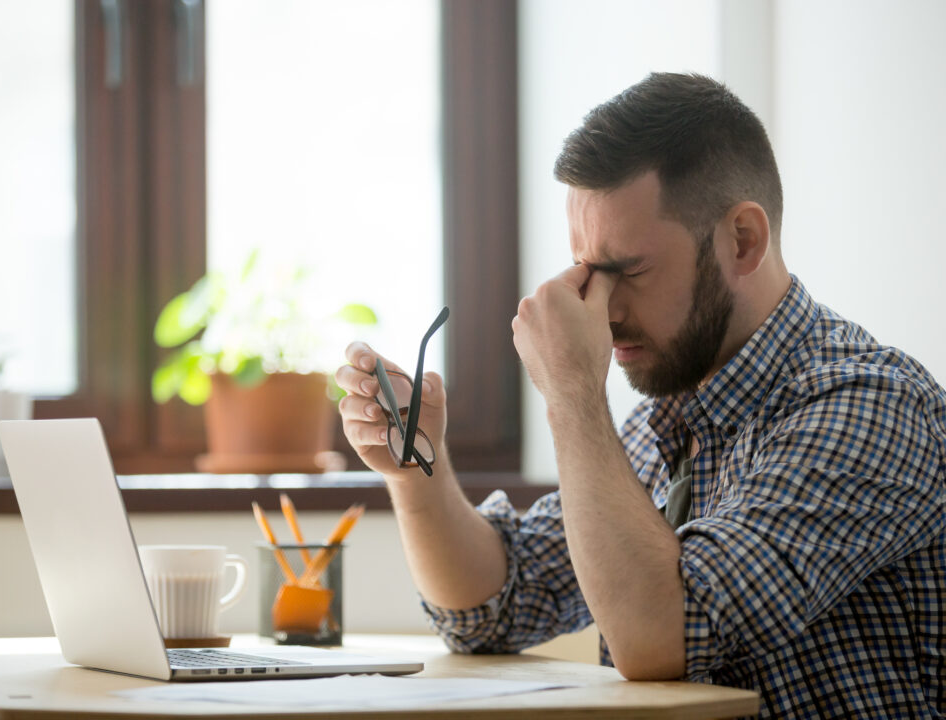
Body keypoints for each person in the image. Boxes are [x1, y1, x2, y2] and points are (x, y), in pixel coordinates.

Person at [335, 72, 946, 719]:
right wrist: (415, 470)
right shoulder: (667, 421)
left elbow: (665, 635)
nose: (600, 310)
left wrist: (572, 392)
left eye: (626, 271)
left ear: (744, 241)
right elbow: (490, 610)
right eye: (586, 273)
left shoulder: (867, 405)